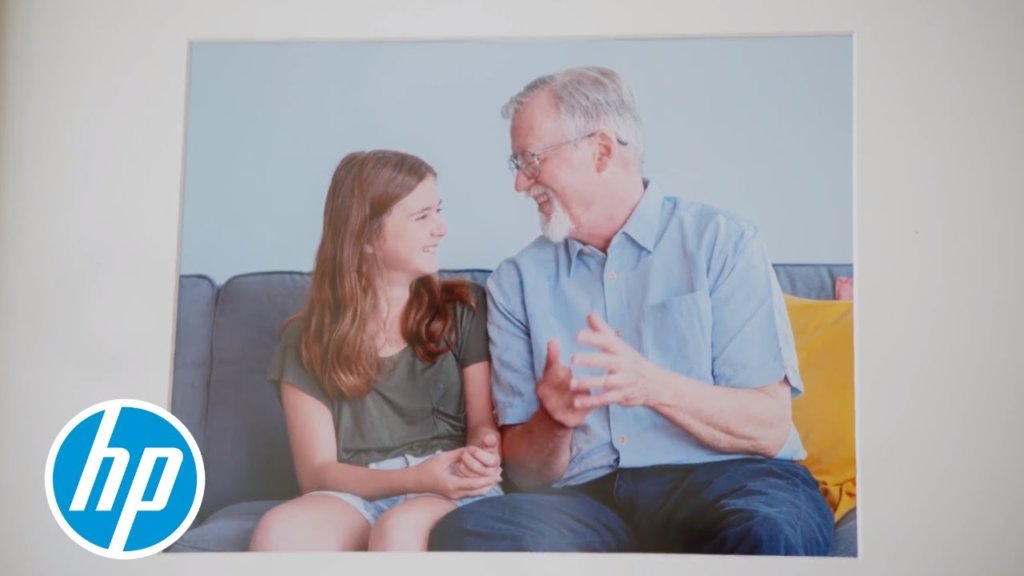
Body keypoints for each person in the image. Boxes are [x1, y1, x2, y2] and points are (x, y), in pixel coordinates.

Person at [427, 67, 834, 555]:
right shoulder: (517, 281)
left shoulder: (721, 243)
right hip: (586, 501)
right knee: (470, 532)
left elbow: (768, 428)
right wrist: (555, 421)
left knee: (768, 530)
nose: (519, 183)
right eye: (515, 163)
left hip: (728, 480)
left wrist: (651, 385)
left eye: (532, 160)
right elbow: (526, 473)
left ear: (600, 150)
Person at [249, 150, 503, 552]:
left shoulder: (463, 310)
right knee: (279, 531)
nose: (442, 228)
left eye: (437, 211)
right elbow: (316, 474)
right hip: (355, 492)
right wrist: (413, 478)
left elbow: (482, 425)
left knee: (399, 531)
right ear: (366, 238)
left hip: (447, 488)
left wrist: (484, 449)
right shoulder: (305, 339)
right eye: (422, 217)